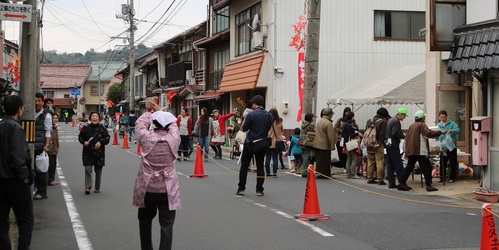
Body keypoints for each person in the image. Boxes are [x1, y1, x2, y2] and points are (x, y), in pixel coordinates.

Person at [133, 102, 181, 250]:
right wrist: (161, 112)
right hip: (168, 189)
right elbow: (174, 125)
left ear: (154, 124)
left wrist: (151, 112)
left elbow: (140, 123)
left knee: (145, 222)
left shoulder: (146, 138)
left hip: (147, 188)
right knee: (167, 225)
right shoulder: (174, 139)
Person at [0, 95, 34, 250]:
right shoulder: (16, 128)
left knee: (1, 221)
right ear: (20, 110)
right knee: (25, 220)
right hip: (16, 182)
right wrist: (25, 176)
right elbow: (18, 156)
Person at [237, 95, 273, 196]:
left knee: (244, 166)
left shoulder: (251, 115)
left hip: (250, 143)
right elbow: (268, 127)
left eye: (253, 103)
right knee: (260, 166)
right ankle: (259, 190)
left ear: (255, 104)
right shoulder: (269, 115)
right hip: (262, 143)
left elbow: (245, 128)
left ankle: (241, 188)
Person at [399, 110, 443, 192]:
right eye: (424, 117)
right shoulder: (422, 125)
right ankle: (429, 185)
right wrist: (439, 132)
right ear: (422, 117)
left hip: (411, 150)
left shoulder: (412, 126)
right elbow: (428, 134)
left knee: (409, 167)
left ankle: (402, 182)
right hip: (420, 150)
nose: (425, 118)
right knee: (427, 167)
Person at [78, 112, 110, 194]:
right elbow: (80, 137)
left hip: (99, 153)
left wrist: (101, 142)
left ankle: (97, 187)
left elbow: (107, 138)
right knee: (88, 169)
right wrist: (84, 142)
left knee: (98, 170)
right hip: (87, 152)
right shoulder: (86, 128)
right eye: (93, 116)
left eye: (96, 116)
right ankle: (88, 186)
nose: (94, 118)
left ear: (99, 118)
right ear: (90, 118)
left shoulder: (102, 128)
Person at [34, 92, 52, 200]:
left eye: (39, 101)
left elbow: (48, 131)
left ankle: (42, 192)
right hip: (31, 145)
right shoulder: (29, 112)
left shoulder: (47, 115)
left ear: (42, 101)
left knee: (41, 170)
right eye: (35, 100)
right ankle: (36, 189)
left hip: (41, 145)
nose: (37, 103)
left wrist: (46, 145)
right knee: (34, 169)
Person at [365, 107, 390, 185]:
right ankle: (380, 179)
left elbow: (366, 132)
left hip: (369, 144)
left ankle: (370, 178)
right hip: (378, 144)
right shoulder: (382, 122)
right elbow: (382, 134)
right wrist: (379, 143)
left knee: (370, 161)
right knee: (379, 161)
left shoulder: (369, 120)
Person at [385, 108, 408, 188]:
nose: (404, 118)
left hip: (388, 144)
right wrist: (403, 136)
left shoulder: (390, 120)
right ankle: (402, 183)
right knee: (398, 163)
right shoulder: (396, 121)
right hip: (394, 144)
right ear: (401, 114)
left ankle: (391, 182)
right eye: (404, 116)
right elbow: (395, 133)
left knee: (390, 164)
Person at [437, 110, 461, 183]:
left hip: (451, 146)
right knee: (442, 162)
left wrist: (452, 130)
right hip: (443, 147)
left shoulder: (452, 123)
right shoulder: (438, 125)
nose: (443, 119)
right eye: (441, 117)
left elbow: (458, 130)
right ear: (439, 117)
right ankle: (442, 177)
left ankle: (452, 177)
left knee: (452, 162)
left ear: (447, 116)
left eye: (444, 117)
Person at [312, 108, 336, 179]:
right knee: (325, 160)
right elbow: (330, 136)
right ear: (329, 115)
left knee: (319, 160)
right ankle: (326, 174)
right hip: (324, 145)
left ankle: (319, 173)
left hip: (317, 144)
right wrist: (332, 146)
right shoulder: (328, 123)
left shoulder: (319, 121)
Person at [265, 109, 284, 177]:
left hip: (268, 141)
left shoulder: (267, 121)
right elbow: (282, 130)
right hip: (277, 142)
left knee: (268, 157)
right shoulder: (280, 121)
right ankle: (274, 172)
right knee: (275, 157)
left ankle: (268, 172)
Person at [342, 111, 361, 179]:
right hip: (351, 143)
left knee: (349, 158)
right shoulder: (348, 125)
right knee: (354, 157)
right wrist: (357, 134)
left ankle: (348, 173)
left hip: (346, 143)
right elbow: (351, 135)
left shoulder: (344, 124)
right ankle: (352, 173)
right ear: (352, 117)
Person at [300, 113, 316, 177]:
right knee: (306, 158)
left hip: (302, 142)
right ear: (310, 118)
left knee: (304, 157)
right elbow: (314, 132)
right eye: (313, 117)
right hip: (307, 143)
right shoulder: (310, 126)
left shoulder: (303, 124)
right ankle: (304, 172)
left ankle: (304, 170)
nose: (314, 118)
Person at [48, 113, 60, 186]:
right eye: (53, 118)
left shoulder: (55, 127)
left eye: (56, 118)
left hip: (54, 149)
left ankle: (51, 179)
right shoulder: (50, 127)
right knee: (51, 165)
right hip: (51, 149)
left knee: (53, 164)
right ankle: (50, 180)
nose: (55, 119)